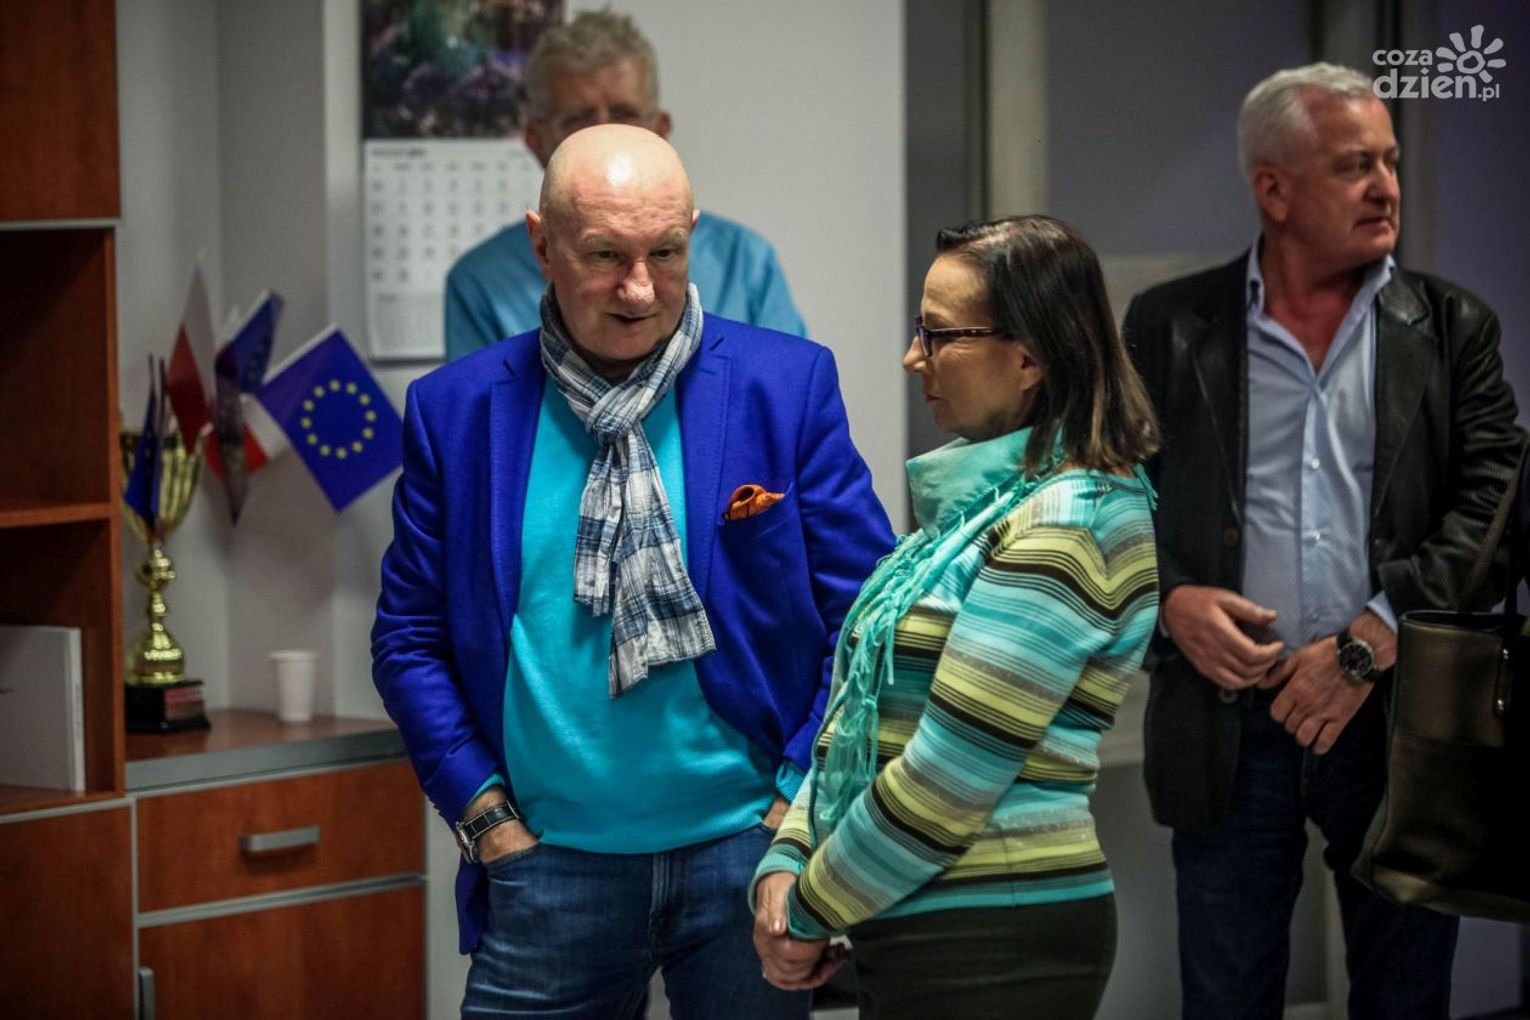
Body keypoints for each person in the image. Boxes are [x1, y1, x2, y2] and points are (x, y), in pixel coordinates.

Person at [372, 124, 893, 1017]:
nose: (640, 288)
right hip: (548, 868)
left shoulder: (783, 386)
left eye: (666, 252)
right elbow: (409, 638)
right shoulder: (456, 412)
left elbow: (869, 619)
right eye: (605, 255)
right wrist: (483, 816)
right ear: (542, 245)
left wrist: (796, 804)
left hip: (748, 853)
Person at [1124, 63, 1522, 1019]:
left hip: (1395, 721)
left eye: (1389, 161)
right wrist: (1169, 598)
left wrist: (1370, 639)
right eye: (1354, 166)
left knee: (1404, 1000)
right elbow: (1106, 499)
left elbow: (1495, 511)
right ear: (1274, 190)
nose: (1386, 186)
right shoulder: (1170, 326)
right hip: (1229, 723)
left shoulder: (1451, 328)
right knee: (1226, 999)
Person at [752, 214, 1162, 1020]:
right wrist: (787, 859)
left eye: (939, 335)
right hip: (918, 921)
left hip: (997, 937)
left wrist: (805, 908)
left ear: (1030, 357)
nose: (915, 358)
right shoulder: (982, 508)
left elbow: (948, 781)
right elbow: (855, 720)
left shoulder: (1072, 518)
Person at [445, 8, 805, 360]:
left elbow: (787, 389)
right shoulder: (483, 281)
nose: (606, 134)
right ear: (536, 141)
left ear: (661, 129)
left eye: (625, 114)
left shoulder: (744, 262)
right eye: (578, 118)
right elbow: (484, 397)